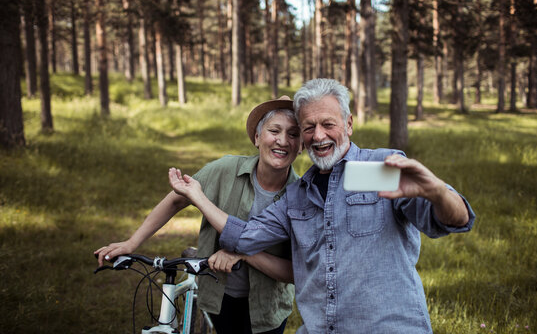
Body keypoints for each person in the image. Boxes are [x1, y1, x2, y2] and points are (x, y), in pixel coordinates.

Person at [167, 78, 476, 334]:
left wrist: (436, 192)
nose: (319, 135)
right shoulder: (297, 195)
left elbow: (454, 220)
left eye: (328, 124)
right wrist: (199, 198)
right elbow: (245, 236)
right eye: (309, 127)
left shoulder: (383, 166)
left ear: (349, 124)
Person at [95, 96, 302, 334]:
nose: (283, 140)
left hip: (268, 308)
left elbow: (294, 271)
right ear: (257, 137)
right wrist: (132, 242)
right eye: (274, 130)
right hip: (218, 295)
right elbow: (176, 200)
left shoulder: (302, 196)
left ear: (301, 145)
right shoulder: (225, 170)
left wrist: (242, 254)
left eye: (294, 134)